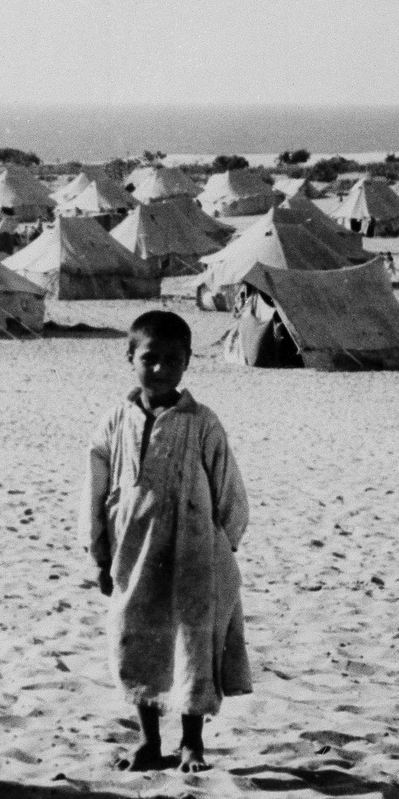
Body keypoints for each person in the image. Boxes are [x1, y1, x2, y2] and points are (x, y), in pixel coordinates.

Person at [80, 310, 250, 774]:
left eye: (172, 361)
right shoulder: (115, 422)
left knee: (193, 643)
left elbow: (228, 489)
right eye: (149, 358)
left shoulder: (203, 422)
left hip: (195, 556)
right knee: (136, 641)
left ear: (187, 363)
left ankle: (193, 743)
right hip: (133, 556)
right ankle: (149, 741)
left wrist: (223, 547)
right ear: (129, 357)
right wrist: (98, 554)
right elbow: (94, 489)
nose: (160, 369)